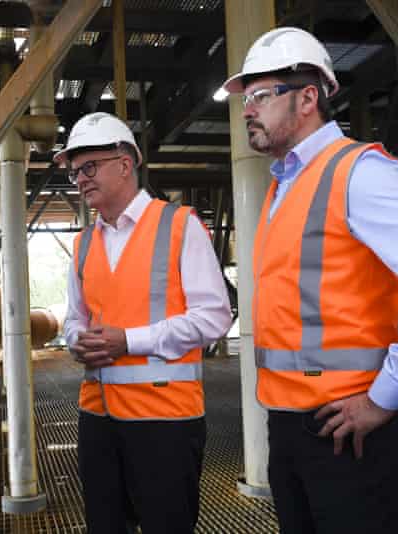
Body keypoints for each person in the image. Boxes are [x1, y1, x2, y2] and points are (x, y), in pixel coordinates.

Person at [222, 27, 398, 534]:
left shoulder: (357, 172)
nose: (246, 110)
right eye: (244, 100)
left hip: (347, 427)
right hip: (289, 421)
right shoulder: (285, 185)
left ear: (307, 98)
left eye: (258, 95)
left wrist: (386, 396)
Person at [58, 112, 232, 534]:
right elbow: (73, 320)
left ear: (124, 162)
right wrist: (75, 342)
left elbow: (214, 317)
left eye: (89, 167)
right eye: (75, 171)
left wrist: (129, 341)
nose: (80, 179)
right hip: (97, 419)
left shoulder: (179, 226)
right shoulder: (83, 244)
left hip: (165, 420)